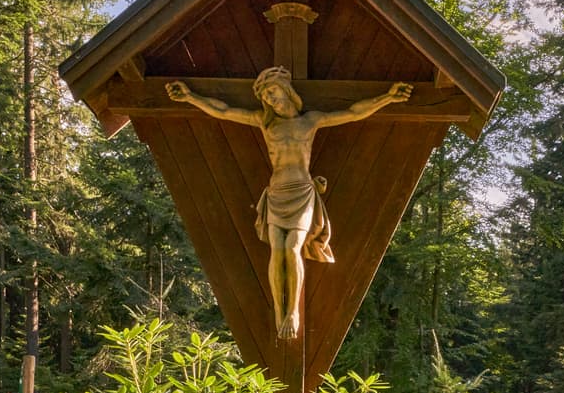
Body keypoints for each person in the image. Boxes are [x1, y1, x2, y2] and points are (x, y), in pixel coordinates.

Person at [165, 67, 412, 339]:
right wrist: (190, 98)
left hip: (303, 193)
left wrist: (388, 98)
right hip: (277, 192)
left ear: (286, 89)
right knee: (277, 250)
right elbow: (222, 111)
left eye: (272, 92)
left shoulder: (310, 121)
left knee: (292, 249)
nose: (270, 99)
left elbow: (354, 112)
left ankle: (292, 311)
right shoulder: (265, 122)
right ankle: (279, 312)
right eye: (266, 97)